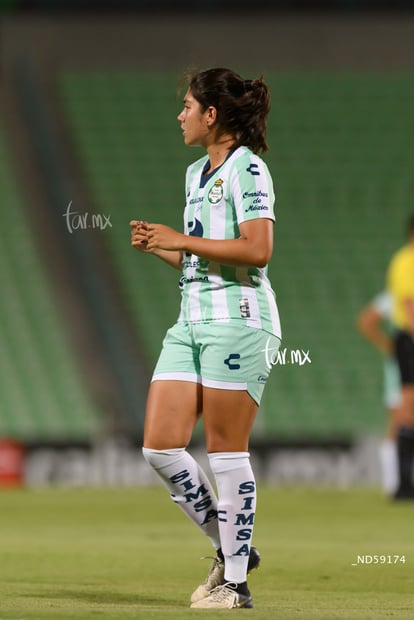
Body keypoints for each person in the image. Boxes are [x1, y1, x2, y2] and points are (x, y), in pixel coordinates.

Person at [130, 67, 281, 609]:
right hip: (190, 320)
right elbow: (199, 258)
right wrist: (164, 248)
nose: (181, 115)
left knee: (225, 452)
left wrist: (183, 239)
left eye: (188, 106)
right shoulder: (197, 173)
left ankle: (235, 585)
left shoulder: (249, 169)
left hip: (238, 322)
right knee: (159, 446)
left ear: (211, 114)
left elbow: (257, 249)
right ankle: (231, 545)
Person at [356, 291, 402, 495]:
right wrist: (390, 347)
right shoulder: (396, 296)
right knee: (398, 424)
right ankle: (392, 483)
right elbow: (367, 321)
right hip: (402, 367)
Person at [386, 215, 414, 499]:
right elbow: (409, 307)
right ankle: (403, 484)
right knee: (408, 405)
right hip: (408, 338)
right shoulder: (406, 261)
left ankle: (406, 482)